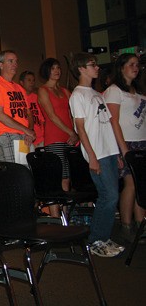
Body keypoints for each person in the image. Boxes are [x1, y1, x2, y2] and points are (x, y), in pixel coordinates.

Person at [69, 53, 124, 257]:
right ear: (81, 69)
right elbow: (81, 129)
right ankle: (95, 240)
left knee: (111, 196)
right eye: (92, 64)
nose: (97, 68)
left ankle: (103, 237)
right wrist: (91, 156)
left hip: (109, 151)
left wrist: (117, 153)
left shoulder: (96, 94)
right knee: (109, 196)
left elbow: (108, 125)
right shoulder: (78, 95)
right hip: (97, 153)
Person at [103, 53, 146, 242]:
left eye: (137, 64)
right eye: (131, 64)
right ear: (121, 67)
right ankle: (126, 225)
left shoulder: (138, 91)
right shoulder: (114, 90)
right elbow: (114, 121)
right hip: (126, 142)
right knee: (131, 183)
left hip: (142, 141)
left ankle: (140, 223)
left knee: (142, 185)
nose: (135, 67)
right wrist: (123, 149)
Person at [37, 58, 78, 214]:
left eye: (58, 68)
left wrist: (75, 131)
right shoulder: (43, 90)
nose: (57, 71)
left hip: (70, 137)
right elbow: (51, 115)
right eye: (53, 68)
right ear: (47, 71)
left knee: (67, 179)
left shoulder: (65, 91)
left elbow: (72, 113)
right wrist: (71, 132)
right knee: (58, 178)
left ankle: (65, 215)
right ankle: (55, 216)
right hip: (54, 137)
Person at [0, 50, 35, 162]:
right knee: (16, 173)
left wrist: (29, 131)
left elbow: (28, 114)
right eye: (10, 61)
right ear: (0, 64)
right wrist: (26, 130)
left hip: (23, 135)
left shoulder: (20, 89)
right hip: (7, 134)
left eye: (16, 61)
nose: (15, 64)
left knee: (25, 171)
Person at [19, 71, 44, 147]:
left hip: (40, 138)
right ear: (22, 83)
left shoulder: (37, 97)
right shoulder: (19, 99)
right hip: (25, 139)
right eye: (29, 80)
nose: (32, 83)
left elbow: (42, 119)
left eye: (33, 80)